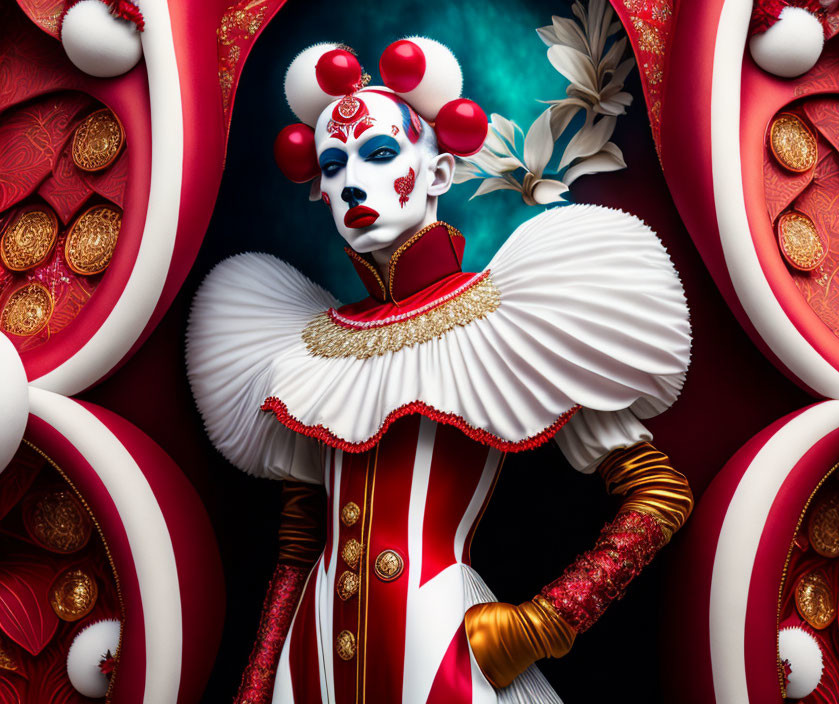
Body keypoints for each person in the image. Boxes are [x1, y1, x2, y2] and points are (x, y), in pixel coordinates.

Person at [187, 38, 694, 704]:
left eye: (379, 153)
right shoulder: (314, 346)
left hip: (443, 650)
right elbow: (302, 530)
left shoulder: (510, 316)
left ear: (439, 174)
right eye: (333, 165)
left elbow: (660, 494)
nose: (353, 184)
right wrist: (256, 683)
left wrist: (547, 623)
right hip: (309, 664)